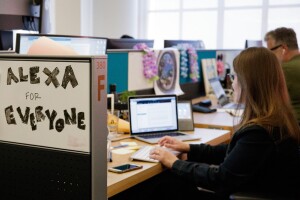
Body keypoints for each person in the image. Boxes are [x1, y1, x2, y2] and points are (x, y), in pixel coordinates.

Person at [142, 47, 299, 200]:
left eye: (235, 77)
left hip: (247, 192)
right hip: (257, 187)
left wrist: (174, 163)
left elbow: (220, 179)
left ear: (249, 83)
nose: (233, 83)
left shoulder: (259, 132)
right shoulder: (276, 118)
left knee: (164, 184)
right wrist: (189, 148)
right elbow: (235, 153)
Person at [264, 27, 300, 124]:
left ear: (283, 49)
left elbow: (264, 102)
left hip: (292, 130)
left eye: (271, 51)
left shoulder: (284, 70)